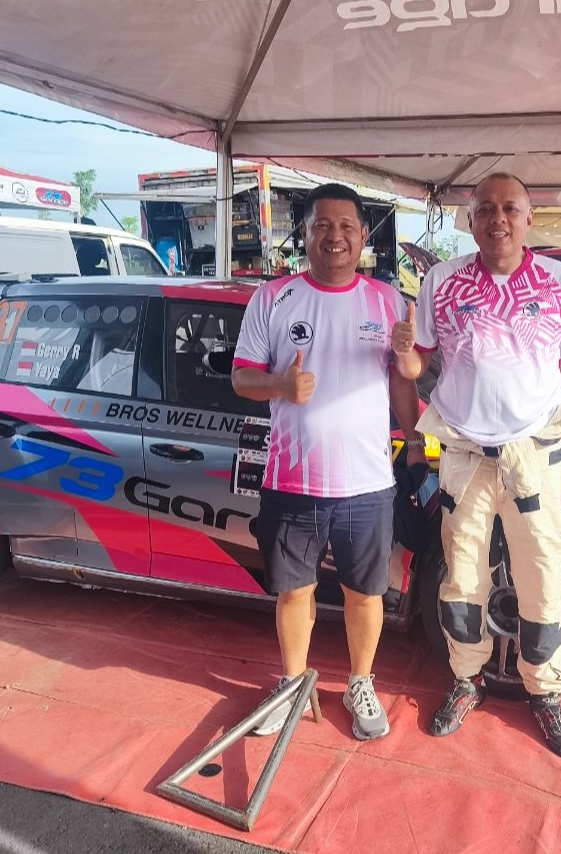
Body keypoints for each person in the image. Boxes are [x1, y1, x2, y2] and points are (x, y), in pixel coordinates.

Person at [392, 173, 561, 758]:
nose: (498, 219)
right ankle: (467, 680)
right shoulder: (442, 280)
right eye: (485, 209)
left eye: (510, 208)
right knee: (461, 577)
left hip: (535, 455)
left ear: (530, 218)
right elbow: (415, 367)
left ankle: (545, 691)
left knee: (542, 575)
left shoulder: (559, 282)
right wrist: (404, 350)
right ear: (470, 220)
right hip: (463, 456)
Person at [232, 183, 425, 741]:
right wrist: (279, 385)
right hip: (292, 480)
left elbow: (403, 379)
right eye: (322, 225)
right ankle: (292, 685)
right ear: (305, 233)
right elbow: (242, 377)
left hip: (367, 483)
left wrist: (415, 438)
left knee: (365, 593)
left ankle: (361, 682)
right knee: (295, 592)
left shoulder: (388, 301)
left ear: (363, 236)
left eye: (345, 226)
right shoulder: (272, 298)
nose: (334, 236)